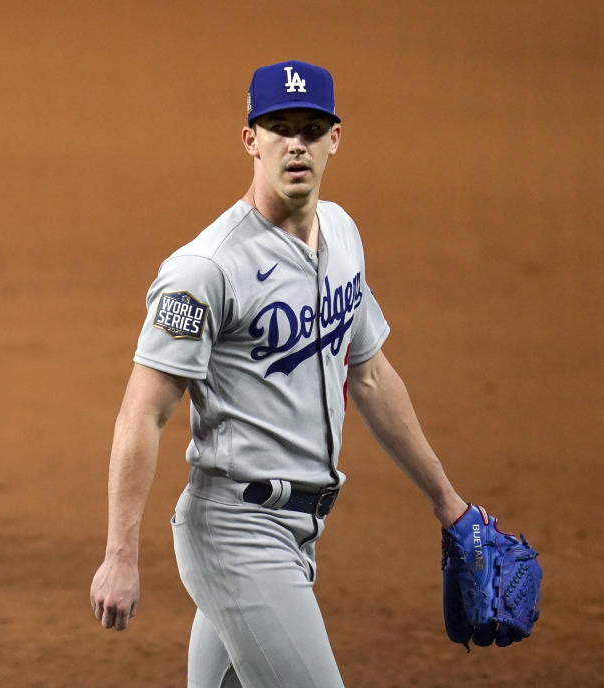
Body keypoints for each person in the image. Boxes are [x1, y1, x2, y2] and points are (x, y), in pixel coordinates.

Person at [89, 59, 468, 687]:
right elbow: (143, 412)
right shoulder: (204, 269)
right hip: (237, 535)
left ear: (335, 140)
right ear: (251, 140)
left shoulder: (342, 234)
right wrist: (119, 555)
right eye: (280, 127)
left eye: (312, 130)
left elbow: (369, 375)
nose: (297, 143)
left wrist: (447, 502)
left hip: (299, 532)